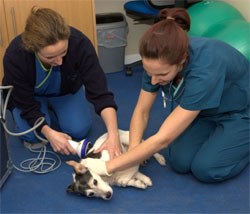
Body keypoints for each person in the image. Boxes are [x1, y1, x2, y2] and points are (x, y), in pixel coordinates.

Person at [82, 8, 250, 183]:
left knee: (206, 169)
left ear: (182, 61)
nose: (154, 81)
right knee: (178, 161)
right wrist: (133, 152)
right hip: (203, 113)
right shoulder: (156, 61)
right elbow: (142, 111)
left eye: (162, 75)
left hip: (239, 113)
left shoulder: (205, 69)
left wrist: (108, 167)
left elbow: (163, 139)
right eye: (149, 73)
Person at [2, 7, 121, 159]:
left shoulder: (80, 44)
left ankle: (53, 111)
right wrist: (48, 132)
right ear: (34, 49)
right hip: (30, 98)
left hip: (65, 92)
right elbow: (24, 102)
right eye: (50, 57)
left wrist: (113, 133)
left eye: (63, 52)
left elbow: (100, 92)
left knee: (79, 130)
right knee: (33, 137)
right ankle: (46, 115)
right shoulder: (16, 55)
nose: (59, 61)